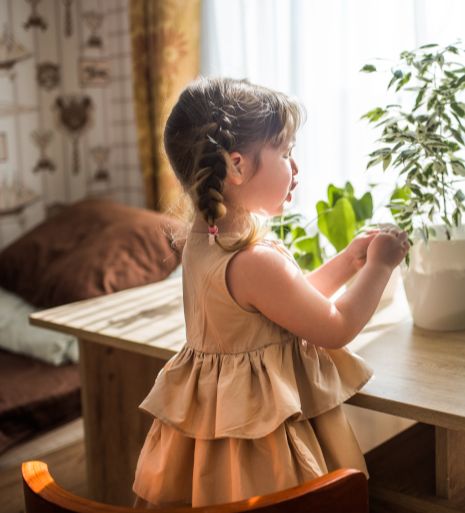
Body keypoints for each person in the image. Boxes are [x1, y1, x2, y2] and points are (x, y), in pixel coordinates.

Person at [132, 77, 409, 507]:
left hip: (222, 430)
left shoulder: (205, 241)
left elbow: (284, 307)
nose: (295, 167)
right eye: (285, 152)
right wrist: (380, 267)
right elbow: (333, 328)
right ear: (238, 166)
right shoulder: (252, 259)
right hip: (262, 444)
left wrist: (346, 263)